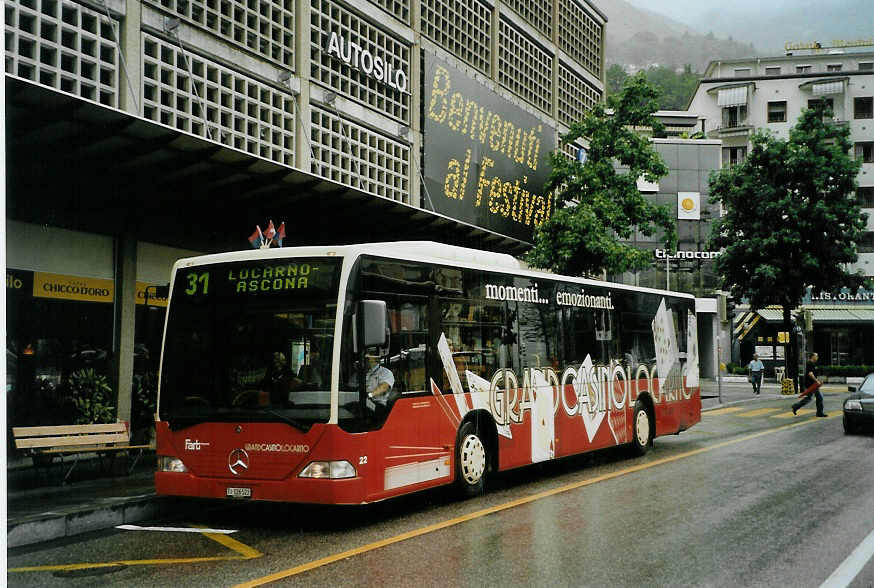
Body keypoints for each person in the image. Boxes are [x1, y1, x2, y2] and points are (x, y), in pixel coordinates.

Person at [792, 352, 826, 417]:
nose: (817, 357)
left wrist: (818, 381)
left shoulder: (813, 364)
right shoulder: (810, 363)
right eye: (816, 356)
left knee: (814, 398)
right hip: (811, 384)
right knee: (817, 398)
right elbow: (810, 374)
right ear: (812, 357)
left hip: (813, 384)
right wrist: (817, 381)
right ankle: (819, 413)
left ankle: (796, 406)